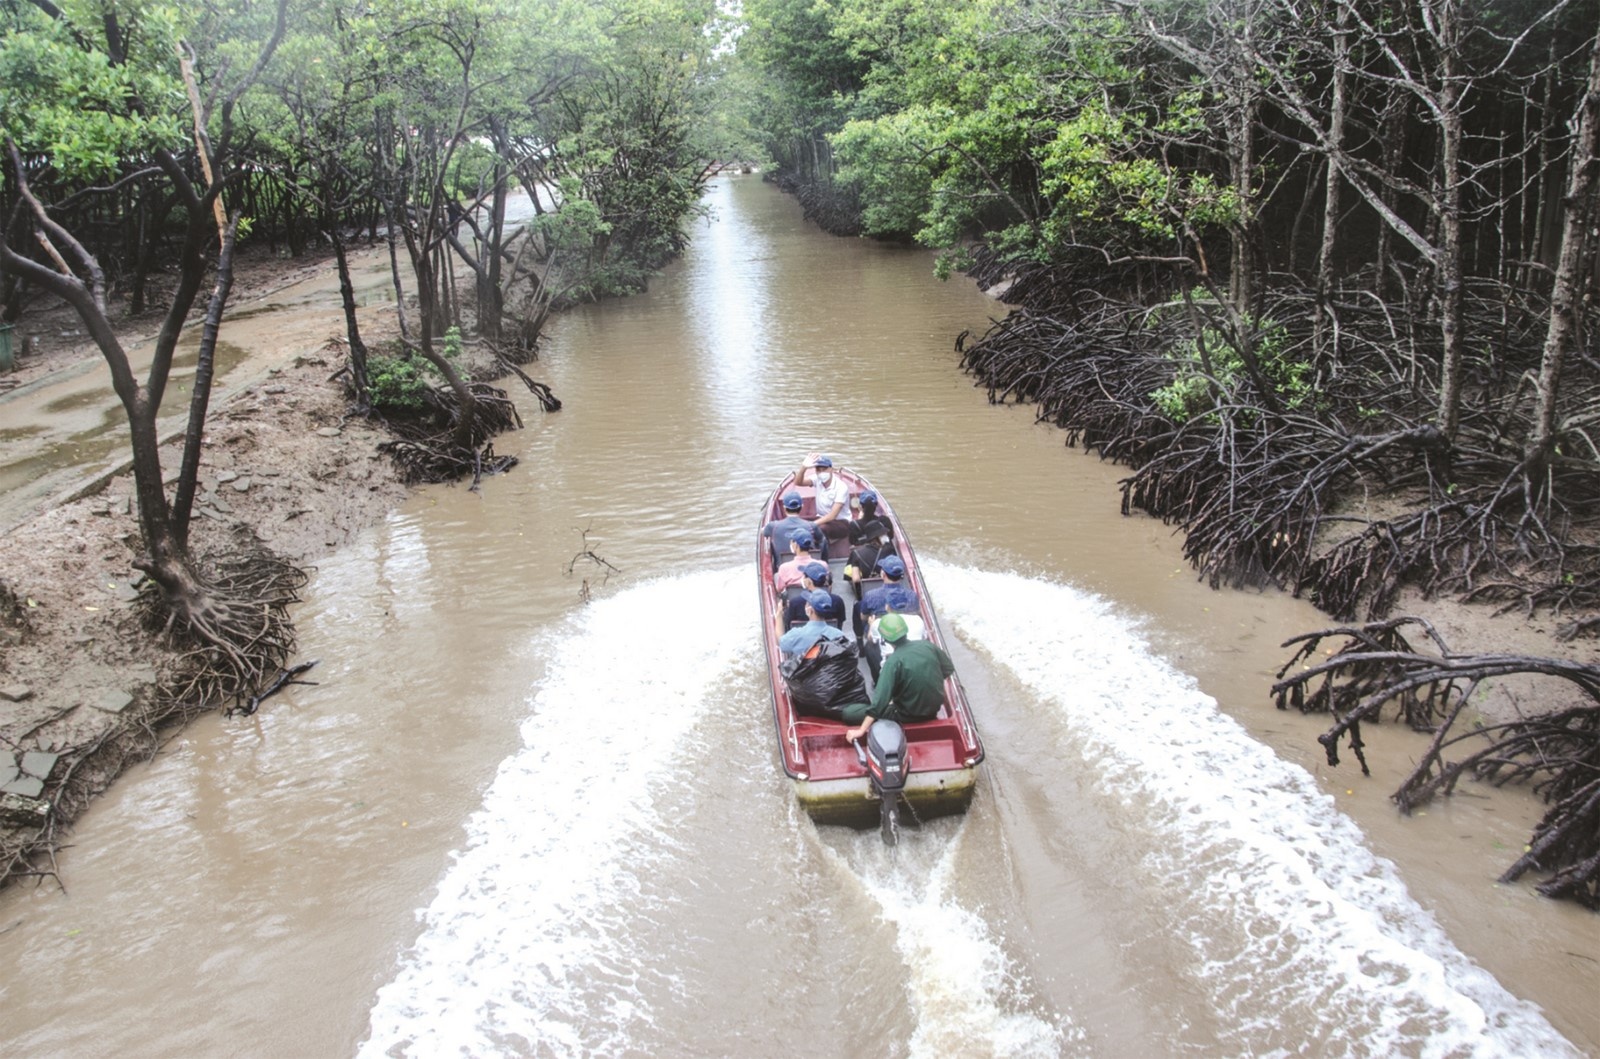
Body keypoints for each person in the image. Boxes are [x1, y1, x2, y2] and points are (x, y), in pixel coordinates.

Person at [842, 613, 955, 741]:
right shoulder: (929, 646)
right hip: (932, 710)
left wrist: (861, 730)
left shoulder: (893, 662)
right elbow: (947, 670)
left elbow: (878, 704)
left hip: (906, 715)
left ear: (885, 639)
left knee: (849, 712)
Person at [854, 554, 920, 639]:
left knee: (857, 606)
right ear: (901, 576)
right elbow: (916, 614)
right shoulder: (912, 595)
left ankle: (859, 638)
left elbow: (863, 617)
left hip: (879, 633)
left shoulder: (870, 595)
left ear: (883, 574)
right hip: (904, 632)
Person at [798, 454, 852, 557]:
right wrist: (803, 468)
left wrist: (813, 524)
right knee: (800, 522)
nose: (821, 472)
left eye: (824, 469)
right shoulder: (817, 479)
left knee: (820, 529)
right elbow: (799, 482)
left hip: (841, 522)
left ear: (831, 469)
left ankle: (823, 558)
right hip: (822, 517)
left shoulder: (841, 487)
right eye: (818, 469)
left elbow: (832, 516)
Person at [779, 590, 853, 657]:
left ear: (810, 611)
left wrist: (778, 616)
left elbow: (780, 642)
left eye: (807, 604)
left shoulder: (796, 635)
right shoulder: (839, 636)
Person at [763, 492, 820, 566]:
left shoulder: (772, 526)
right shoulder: (811, 526)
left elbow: (764, 532)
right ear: (801, 507)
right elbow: (822, 542)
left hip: (781, 569)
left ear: (784, 508)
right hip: (810, 568)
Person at [785, 561, 845, 628]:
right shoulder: (838, 601)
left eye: (804, 576)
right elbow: (839, 625)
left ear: (809, 581)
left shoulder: (795, 603)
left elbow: (788, 626)